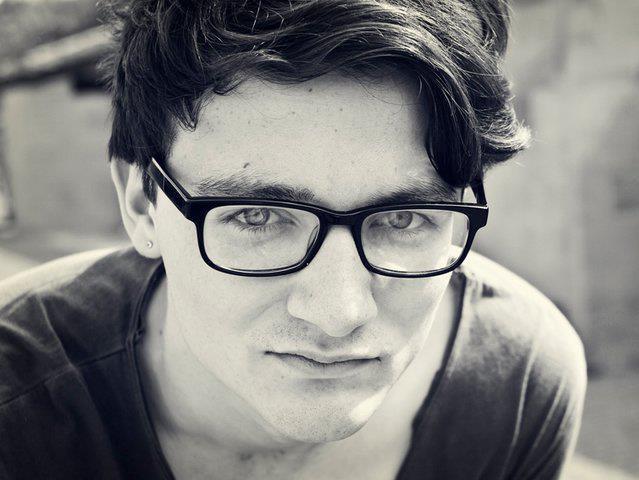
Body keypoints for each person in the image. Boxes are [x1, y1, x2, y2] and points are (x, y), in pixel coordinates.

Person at [0, 0, 587, 479]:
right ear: (141, 204)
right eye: (257, 217)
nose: (340, 314)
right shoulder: (18, 407)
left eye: (405, 218)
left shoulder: (516, 386)